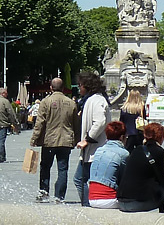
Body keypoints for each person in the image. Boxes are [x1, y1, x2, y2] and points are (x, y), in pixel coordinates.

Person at [30, 77, 78, 202]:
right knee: (63, 169)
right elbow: (76, 124)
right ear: (63, 88)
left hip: (49, 140)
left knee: (45, 167)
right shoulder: (71, 103)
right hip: (66, 141)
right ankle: (59, 196)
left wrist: (34, 138)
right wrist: (76, 140)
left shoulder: (45, 102)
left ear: (51, 88)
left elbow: (40, 123)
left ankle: (44, 192)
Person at [73, 71, 109, 206]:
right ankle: (89, 204)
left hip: (95, 149)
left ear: (87, 86)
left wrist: (87, 139)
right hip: (93, 149)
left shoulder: (96, 100)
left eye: (80, 85)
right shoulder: (92, 100)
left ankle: (88, 206)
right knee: (85, 179)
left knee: (79, 179)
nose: (79, 88)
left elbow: (100, 121)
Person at [87, 120, 128, 209]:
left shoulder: (99, 150)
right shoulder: (123, 153)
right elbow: (125, 180)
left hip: (92, 198)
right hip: (109, 198)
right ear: (122, 137)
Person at [0, 87, 20, 163]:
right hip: (3, 123)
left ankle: (2, 156)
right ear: (3, 93)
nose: (7, 94)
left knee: (0, 139)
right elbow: (11, 113)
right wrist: (15, 122)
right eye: (6, 93)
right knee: (1, 141)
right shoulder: (5, 101)